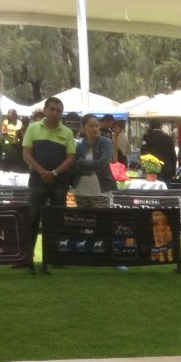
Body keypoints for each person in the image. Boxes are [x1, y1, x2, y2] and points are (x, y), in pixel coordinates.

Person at [22, 96, 75, 274]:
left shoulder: (67, 133)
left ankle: (56, 257)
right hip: (37, 182)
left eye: (58, 110)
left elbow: (71, 158)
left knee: (57, 220)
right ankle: (26, 258)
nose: (55, 113)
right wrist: (41, 171)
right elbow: (26, 154)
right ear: (45, 110)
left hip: (59, 183)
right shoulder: (33, 128)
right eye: (52, 109)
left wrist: (54, 173)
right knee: (32, 219)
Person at [72, 114, 117, 209]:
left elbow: (102, 163)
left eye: (97, 125)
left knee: (102, 222)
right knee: (83, 220)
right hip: (80, 190)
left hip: (102, 191)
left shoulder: (106, 142)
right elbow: (74, 165)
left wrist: (82, 163)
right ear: (84, 128)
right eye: (91, 126)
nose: (95, 128)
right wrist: (91, 170)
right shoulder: (79, 144)